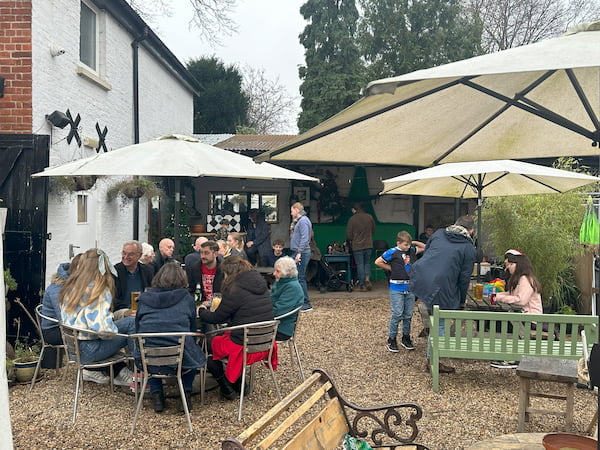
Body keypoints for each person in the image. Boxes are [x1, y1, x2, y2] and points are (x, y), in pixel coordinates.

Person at [198, 256, 275, 400]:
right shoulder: (260, 283)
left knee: (204, 344)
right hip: (265, 342)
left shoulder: (234, 288)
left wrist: (201, 311)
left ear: (228, 272)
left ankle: (226, 386)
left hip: (243, 344)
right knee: (223, 334)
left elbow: (217, 318)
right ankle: (239, 383)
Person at [135, 262, 206, 413]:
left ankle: (157, 396)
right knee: (190, 346)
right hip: (180, 356)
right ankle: (185, 393)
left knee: (150, 344)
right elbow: (192, 329)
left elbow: (138, 328)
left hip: (148, 357)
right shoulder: (187, 299)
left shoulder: (143, 299)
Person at [410, 216, 476, 374]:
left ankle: (432, 359)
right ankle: (433, 362)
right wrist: (460, 300)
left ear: (455, 225)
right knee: (440, 323)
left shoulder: (439, 234)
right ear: (471, 231)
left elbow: (429, 253)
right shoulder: (468, 248)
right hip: (441, 285)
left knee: (435, 318)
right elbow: (464, 277)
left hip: (421, 277)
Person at [59, 248, 135, 386]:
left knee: (126, 324)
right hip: (90, 351)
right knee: (132, 323)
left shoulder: (70, 287)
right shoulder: (98, 290)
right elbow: (102, 330)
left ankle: (121, 371)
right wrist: (116, 330)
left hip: (73, 350)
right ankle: (139, 370)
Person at [491, 249, 543, 369]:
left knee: (505, 322)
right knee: (508, 319)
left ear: (519, 264)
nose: (508, 267)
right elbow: (511, 294)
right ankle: (510, 356)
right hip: (524, 317)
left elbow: (521, 300)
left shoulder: (525, 279)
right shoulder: (522, 278)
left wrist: (499, 298)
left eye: (510, 264)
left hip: (530, 319)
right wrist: (498, 296)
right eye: (507, 265)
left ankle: (512, 358)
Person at [375, 231, 425, 352]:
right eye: (405, 245)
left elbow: (424, 247)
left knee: (408, 314)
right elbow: (378, 261)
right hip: (396, 287)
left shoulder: (411, 250)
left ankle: (406, 337)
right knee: (397, 313)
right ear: (398, 243)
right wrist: (391, 268)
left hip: (409, 287)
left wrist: (413, 242)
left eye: (408, 245)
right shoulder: (392, 252)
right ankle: (391, 338)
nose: (407, 247)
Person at [40, 254, 81, 368]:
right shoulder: (57, 288)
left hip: (64, 326)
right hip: (53, 330)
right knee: (89, 337)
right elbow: (65, 318)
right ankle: (90, 369)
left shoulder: (72, 284)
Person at [113, 240, 154, 316]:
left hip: (143, 310)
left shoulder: (147, 271)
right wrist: (130, 309)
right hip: (121, 311)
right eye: (124, 253)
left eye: (130, 254)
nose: (126, 257)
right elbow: (112, 299)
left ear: (139, 255)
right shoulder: (114, 272)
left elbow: (152, 292)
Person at [270, 256, 304, 341]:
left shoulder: (292, 287)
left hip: (281, 329)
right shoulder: (281, 282)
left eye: (278, 271)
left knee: (243, 334)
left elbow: (278, 311)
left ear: (287, 273)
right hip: (274, 323)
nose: (274, 273)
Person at [346, 202, 376, 292]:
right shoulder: (369, 217)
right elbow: (373, 231)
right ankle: (367, 278)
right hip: (368, 244)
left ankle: (362, 284)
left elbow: (349, 235)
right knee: (367, 263)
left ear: (354, 209)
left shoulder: (352, 219)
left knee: (360, 265)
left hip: (357, 246)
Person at [290, 202, 313, 312]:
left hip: (301, 253)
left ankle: (306, 303)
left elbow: (305, 238)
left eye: (292, 210)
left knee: (300, 278)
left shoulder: (303, 221)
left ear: (296, 210)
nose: (291, 212)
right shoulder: (300, 221)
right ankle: (300, 301)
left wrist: (299, 252)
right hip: (299, 251)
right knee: (298, 277)